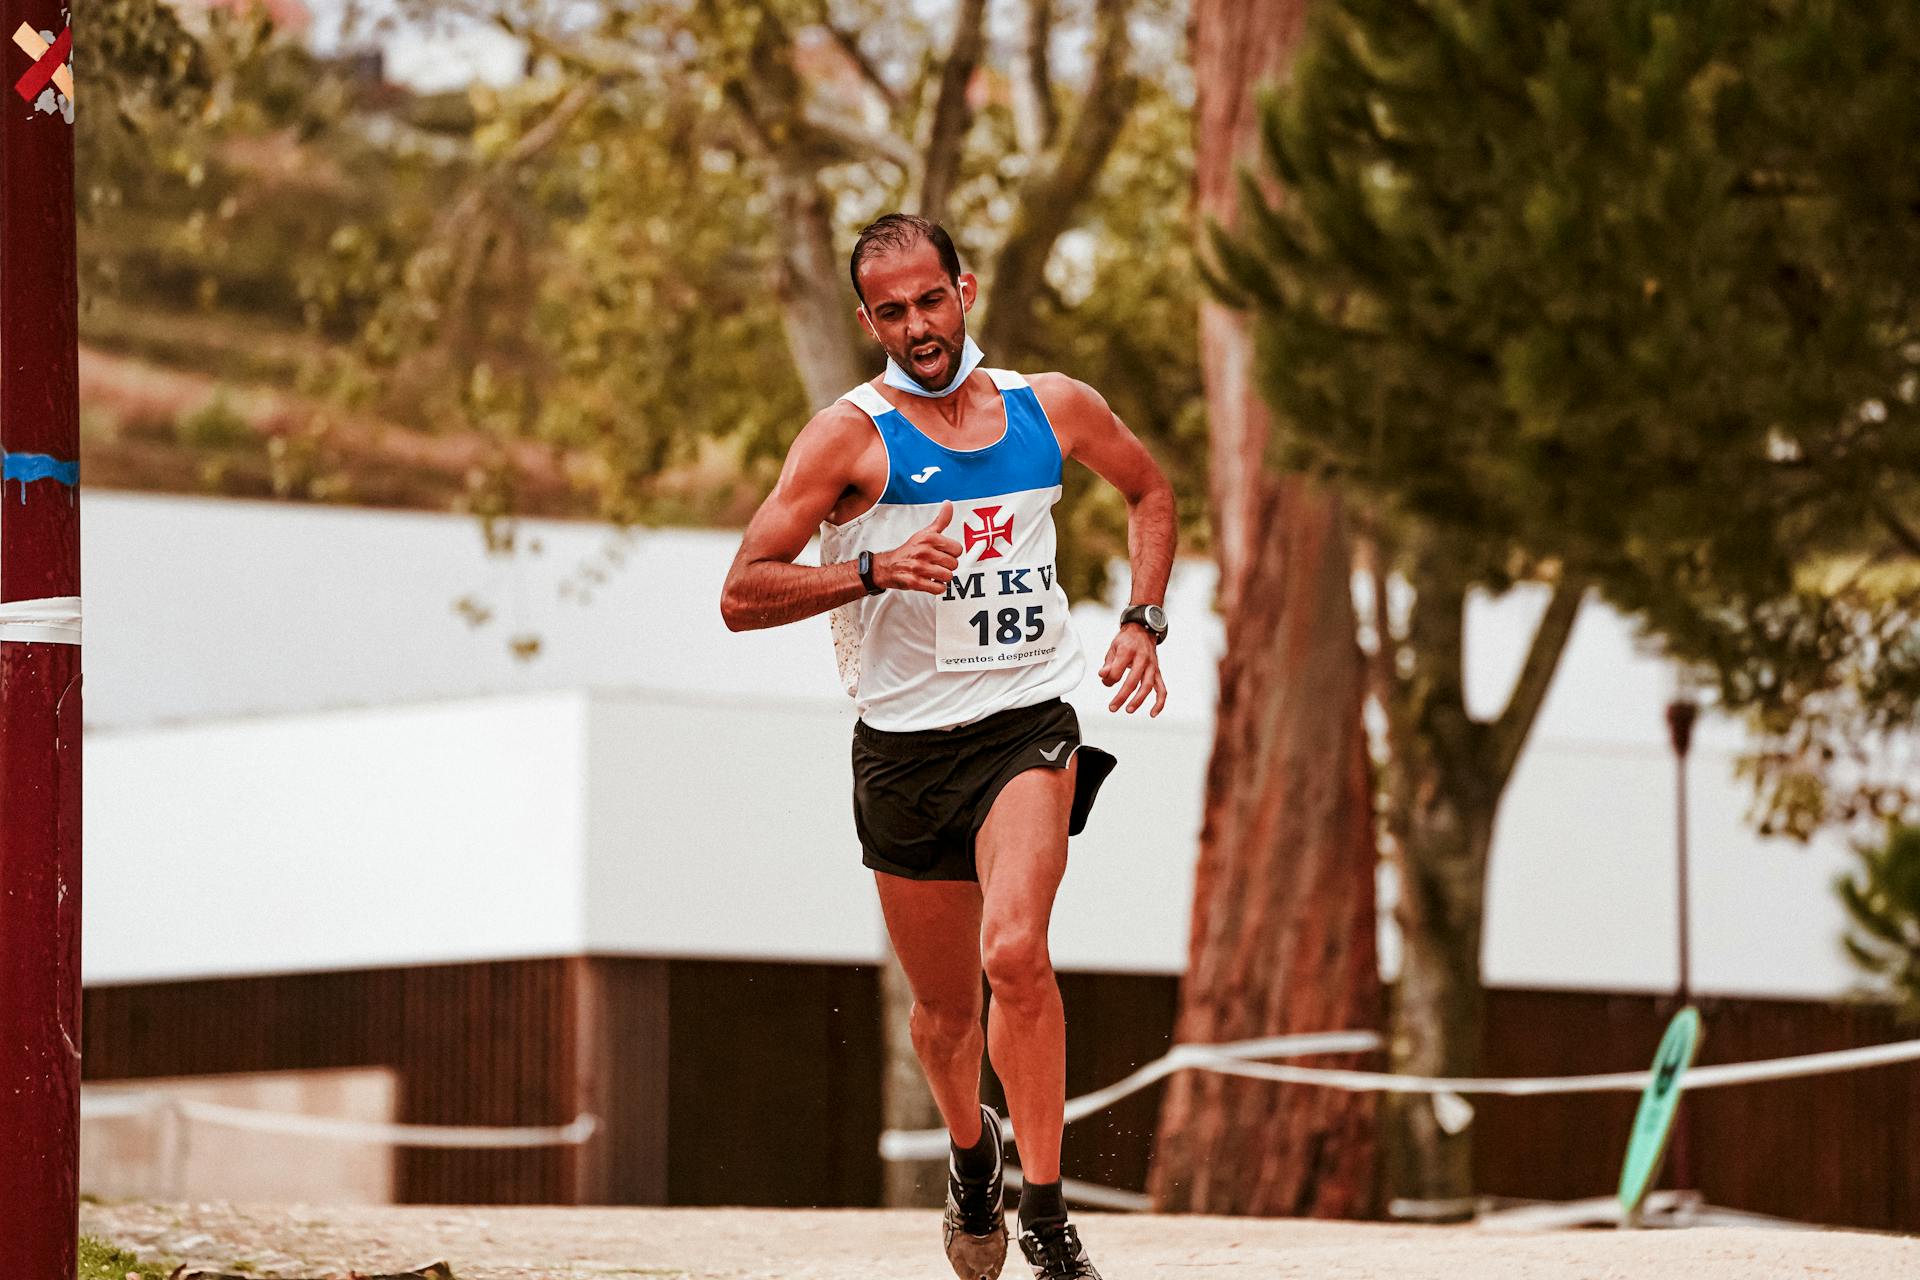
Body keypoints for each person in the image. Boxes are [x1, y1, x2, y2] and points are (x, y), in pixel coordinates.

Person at [721, 213, 1175, 1280]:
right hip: (902, 751)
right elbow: (742, 591)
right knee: (939, 1015)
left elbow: (1150, 487)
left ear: (963, 287)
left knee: (1015, 953)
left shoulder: (1049, 406)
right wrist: (872, 570)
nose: (917, 326)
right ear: (869, 318)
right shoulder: (849, 437)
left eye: (931, 298)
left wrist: (1142, 617)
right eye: (891, 311)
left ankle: (1050, 1221)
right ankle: (976, 1157)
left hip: (1027, 724)